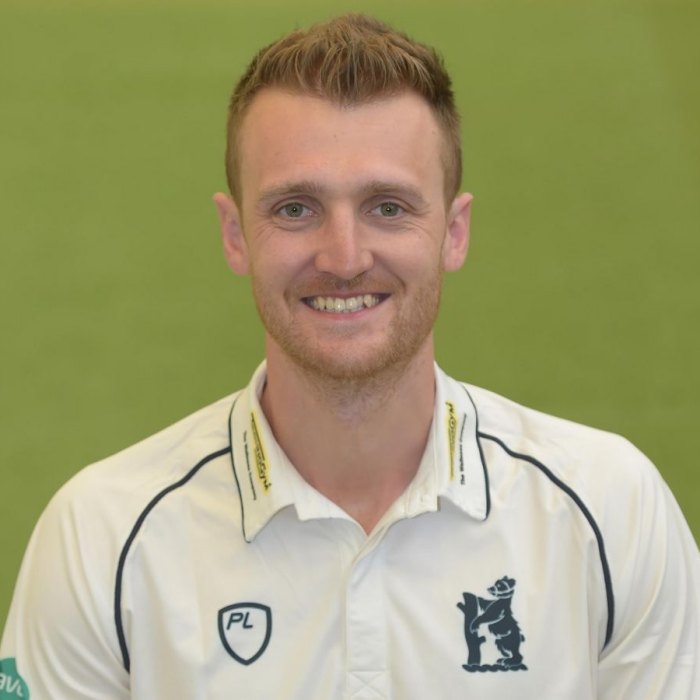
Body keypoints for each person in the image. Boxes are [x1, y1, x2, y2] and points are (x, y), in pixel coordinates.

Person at [1, 13, 698, 699]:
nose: (344, 257)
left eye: (387, 207)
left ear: (454, 232)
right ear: (235, 234)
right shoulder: (101, 538)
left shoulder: (610, 511)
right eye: (296, 209)